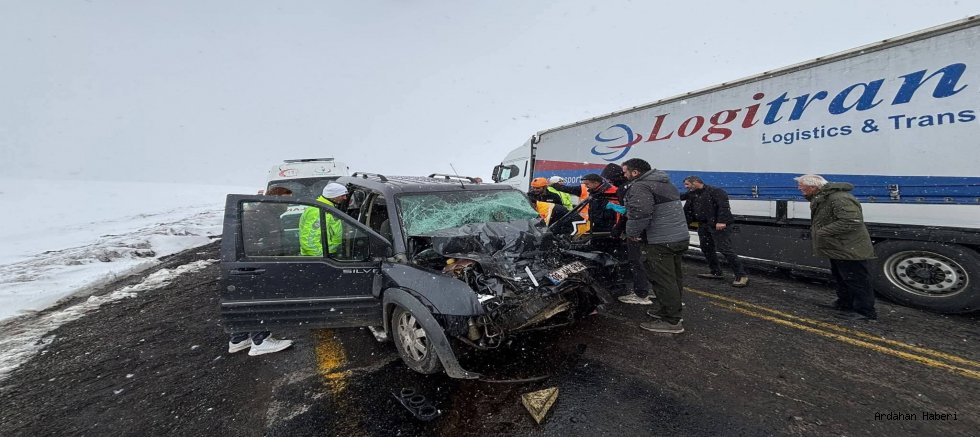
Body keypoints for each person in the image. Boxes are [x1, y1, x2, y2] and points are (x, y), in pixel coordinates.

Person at [621, 158, 690, 334]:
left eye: (625, 171)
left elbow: (640, 212)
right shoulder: (665, 183)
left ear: (635, 172)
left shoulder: (640, 186)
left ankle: (672, 321)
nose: (624, 174)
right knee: (674, 277)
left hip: (661, 240)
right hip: (678, 237)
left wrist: (632, 233)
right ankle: (667, 310)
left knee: (663, 279)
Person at [795, 174, 878, 321]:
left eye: (802, 187)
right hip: (839, 246)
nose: (800, 189)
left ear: (814, 187)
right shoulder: (824, 198)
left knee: (856, 279)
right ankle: (845, 303)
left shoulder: (838, 198)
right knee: (841, 277)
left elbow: (852, 221)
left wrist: (822, 232)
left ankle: (865, 311)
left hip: (849, 247)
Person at [229, 186, 295, 356]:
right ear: (277, 198)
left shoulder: (266, 214)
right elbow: (250, 243)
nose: (289, 204)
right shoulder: (258, 216)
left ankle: (239, 339)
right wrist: (269, 257)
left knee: (248, 302)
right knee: (258, 301)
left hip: (255, 264)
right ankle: (260, 340)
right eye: (287, 200)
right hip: (258, 265)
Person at [682, 176, 749, 287]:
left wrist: (721, 221)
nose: (686, 187)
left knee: (725, 249)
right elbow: (679, 198)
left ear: (696, 182)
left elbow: (724, 206)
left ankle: (741, 276)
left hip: (718, 225)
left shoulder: (715, 191)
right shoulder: (692, 193)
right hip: (704, 224)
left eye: (687, 184)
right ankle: (716, 272)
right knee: (706, 248)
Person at [299, 182, 349, 256]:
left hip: (327, 252)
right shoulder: (317, 211)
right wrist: (322, 258)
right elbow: (309, 241)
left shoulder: (327, 207)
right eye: (342, 195)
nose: (345, 198)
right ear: (333, 196)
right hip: (319, 256)